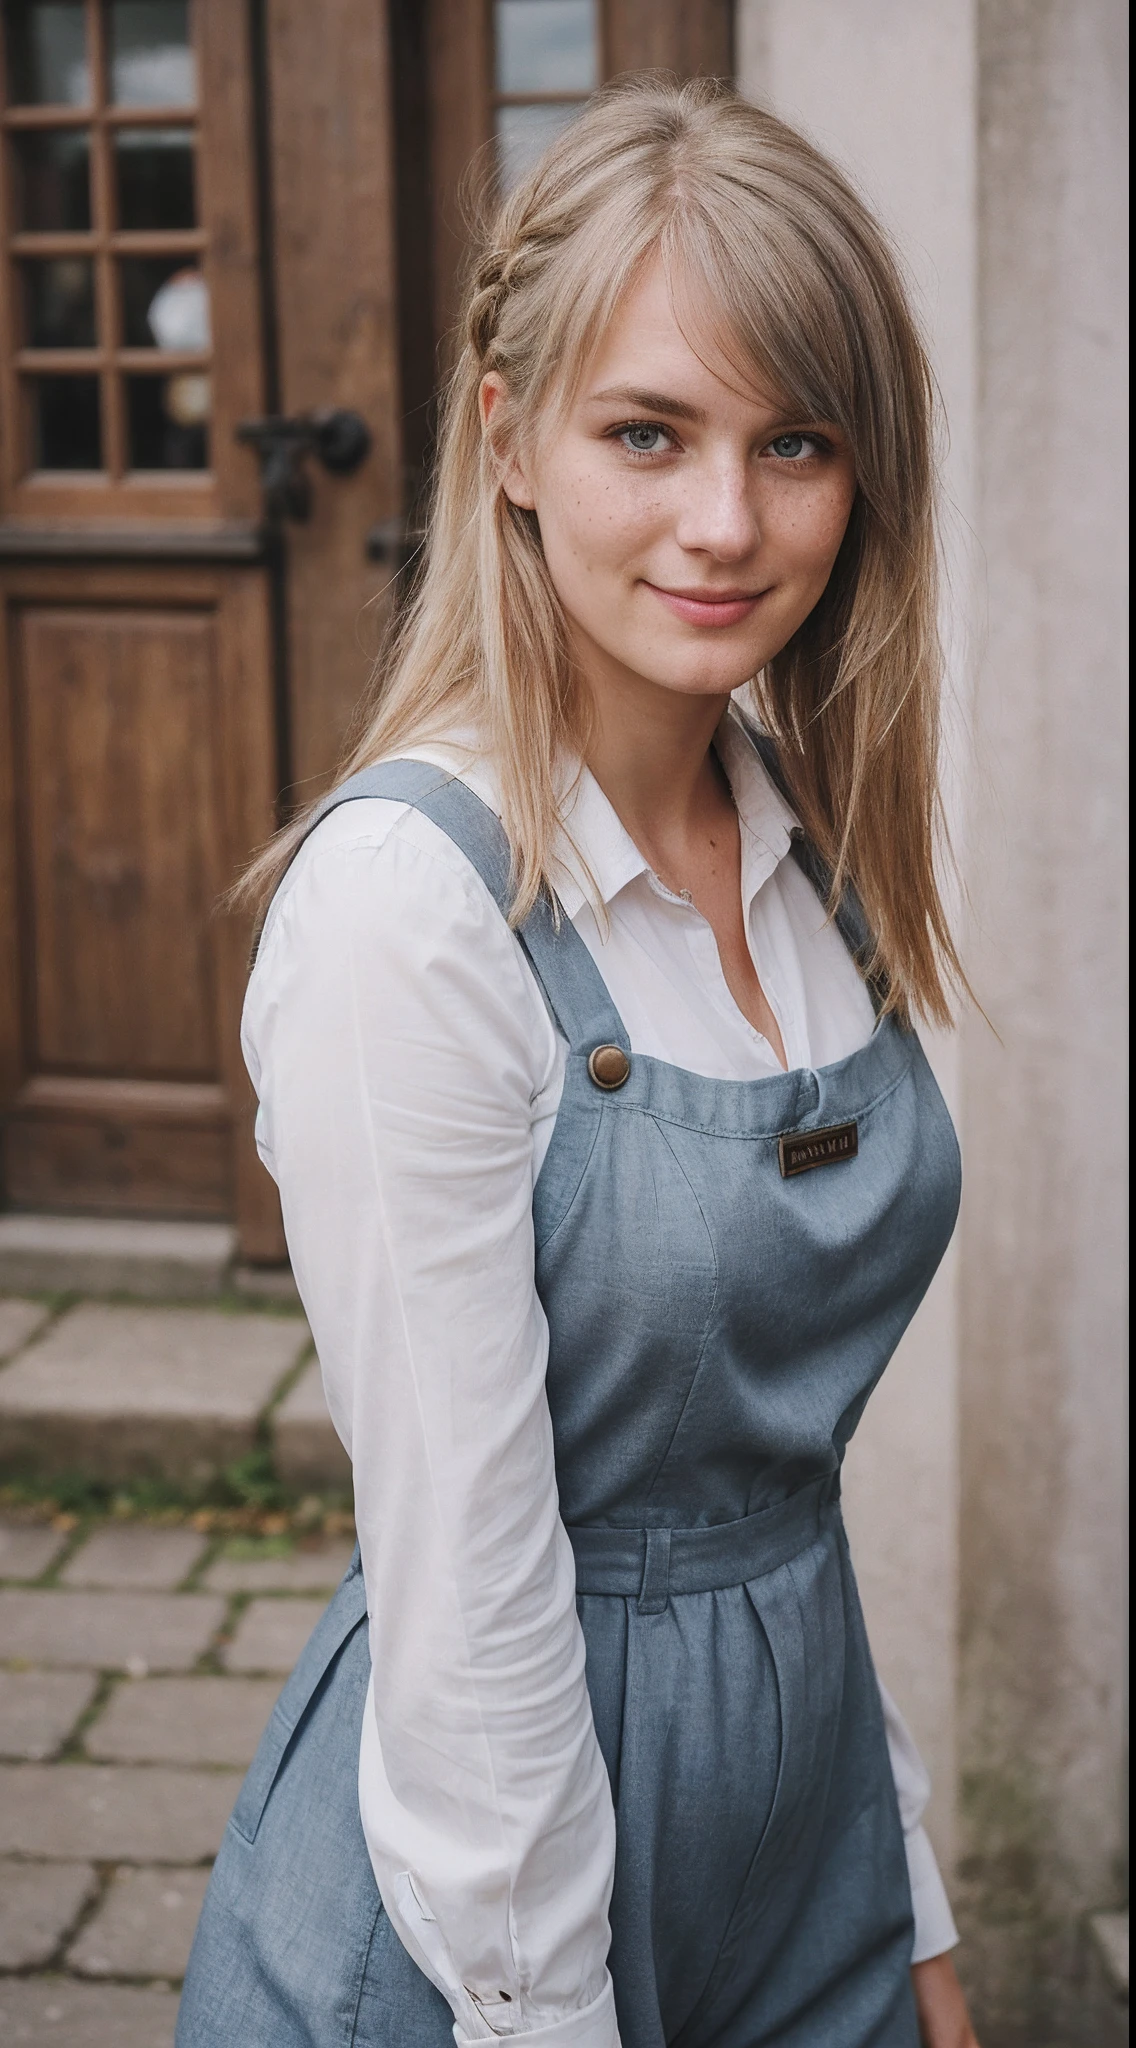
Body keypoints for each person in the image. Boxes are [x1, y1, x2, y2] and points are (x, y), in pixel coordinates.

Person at [178, 75, 981, 2048]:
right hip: (504, 1897)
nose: (726, 522)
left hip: (807, 1851)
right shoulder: (407, 910)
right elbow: (463, 1581)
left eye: (792, 442)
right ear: (510, 439)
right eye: (649, 433)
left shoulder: (808, 853)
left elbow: (775, 1495)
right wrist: (545, 2014)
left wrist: (914, 1905)